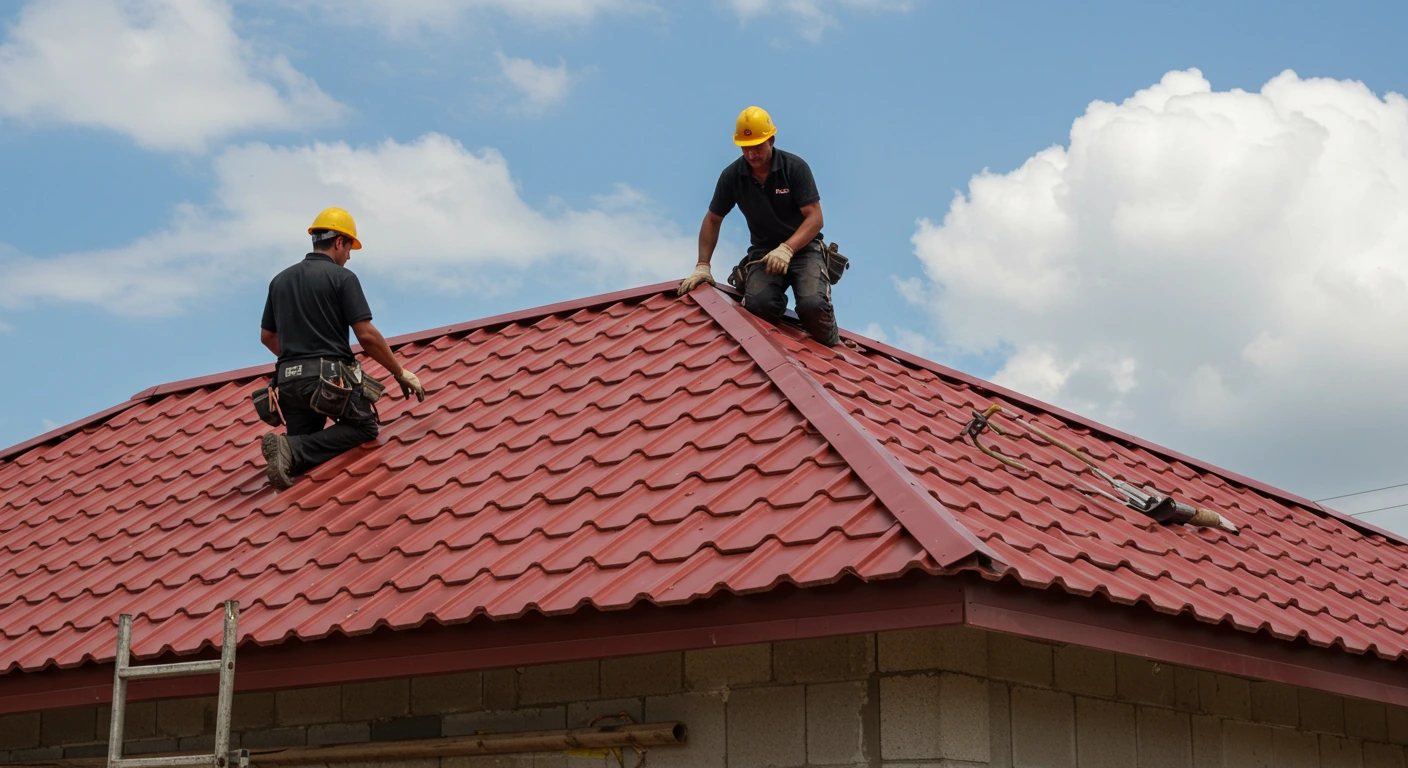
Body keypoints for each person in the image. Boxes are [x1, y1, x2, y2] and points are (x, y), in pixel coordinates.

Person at [258, 207, 426, 490]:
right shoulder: (342, 278)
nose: (349, 256)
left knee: (304, 450)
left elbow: (267, 336)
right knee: (364, 427)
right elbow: (367, 335)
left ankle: (290, 450)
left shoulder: (280, 281)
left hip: (287, 383)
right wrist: (399, 371)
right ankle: (293, 449)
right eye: (350, 248)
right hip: (326, 382)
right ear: (339, 242)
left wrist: (300, 359)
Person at [677, 105, 839, 346]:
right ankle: (784, 342)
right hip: (763, 253)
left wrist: (787, 249)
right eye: (746, 147)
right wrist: (703, 266)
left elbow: (815, 218)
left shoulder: (794, 168)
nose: (751, 153)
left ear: (771, 140)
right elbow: (713, 219)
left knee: (812, 305)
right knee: (758, 306)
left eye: (757, 146)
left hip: (803, 250)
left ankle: (832, 344)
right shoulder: (732, 176)